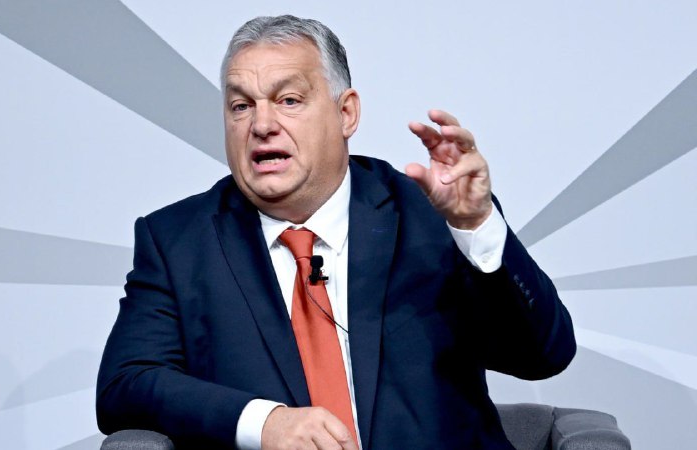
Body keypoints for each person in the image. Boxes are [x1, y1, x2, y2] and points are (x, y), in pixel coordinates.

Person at [96, 14, 575, 450]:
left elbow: (543, 356)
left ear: (346, 113)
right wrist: (262, 423)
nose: (261, 125)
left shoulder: (429, 215)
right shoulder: (179, 241)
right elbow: (124, 384)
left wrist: (476, 226)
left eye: (288, 100)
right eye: (241, 106)